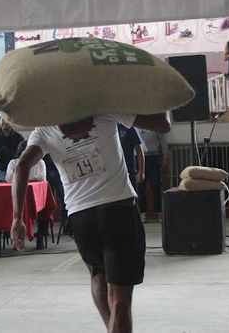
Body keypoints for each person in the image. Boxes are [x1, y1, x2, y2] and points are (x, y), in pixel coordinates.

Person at [11, 113, 170, 333]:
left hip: (80, 218)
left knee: (97, 275)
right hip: (118, 210)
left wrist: (17, 217)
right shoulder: (105, 109)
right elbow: (162, 125)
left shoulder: (44, 128)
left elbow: (22, 165)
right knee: (120, 300)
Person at [6, 141, 49, 249]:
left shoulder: (40, 162)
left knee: (44, 209)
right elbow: (9, 178)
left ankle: (40, 237)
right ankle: (15, 237)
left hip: (35, 194)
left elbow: (41, 177)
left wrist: (21, 178)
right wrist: (21, 172)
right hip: (18, 196)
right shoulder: (13, 162)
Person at [136, 129, 167, 222]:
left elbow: (162, 139)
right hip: (138, 156)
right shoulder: (135, 124)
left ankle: (159, 212)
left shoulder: (154, 124)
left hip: (154, 156)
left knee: (156, 186)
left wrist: (165, 155)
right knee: (140, 186)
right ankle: (142, 213)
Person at [118, 124, 144, 195]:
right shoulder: (109, 129)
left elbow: (139, 150)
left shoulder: (128, 128)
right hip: (116, 174)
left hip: (130, 171)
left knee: (134, 198)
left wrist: (141, 172)